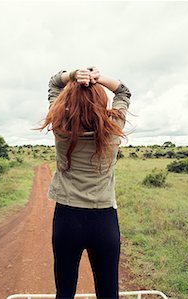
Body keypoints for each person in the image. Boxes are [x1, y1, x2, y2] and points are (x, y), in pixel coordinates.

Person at [38, 67, 131, 299]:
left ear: (67, 100)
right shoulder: (113, 128)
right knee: (109, 294)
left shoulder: (60, 127)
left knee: (65, 292)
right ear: (102, 102)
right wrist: (98, 79)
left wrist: (73, 76)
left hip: (67, 219)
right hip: (104, 220)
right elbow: (123, 92)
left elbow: (53, 83)